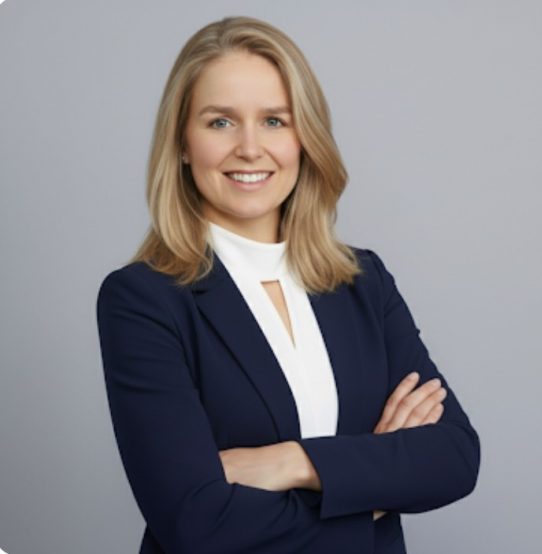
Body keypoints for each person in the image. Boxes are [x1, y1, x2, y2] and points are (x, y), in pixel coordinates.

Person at [96, 15, 480, 554]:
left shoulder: (363, 282)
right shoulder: (143, 300)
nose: (250, 148)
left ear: (304, 138)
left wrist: (291, 462)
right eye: (220, 122)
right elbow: (196, 522)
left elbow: (454, 456)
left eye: (275, 120)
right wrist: (370, 489)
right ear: (182, 142)